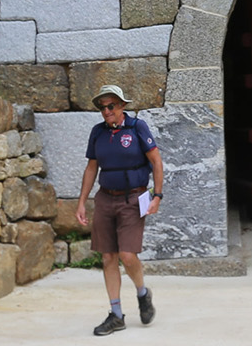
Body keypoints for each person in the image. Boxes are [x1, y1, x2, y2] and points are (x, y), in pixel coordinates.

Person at [75, 84, 165, 336]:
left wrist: (157, 195)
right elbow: (92, 168)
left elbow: (156, 161)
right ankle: (116, 315)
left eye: (111, 106)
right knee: (107, 257)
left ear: (122, 105)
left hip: (136, 197)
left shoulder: (137, 128)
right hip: (105, 199)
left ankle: (142, 293)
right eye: (102, 107)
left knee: (127, 254)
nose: (106, 111)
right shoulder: (98, 133)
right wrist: (82, 201)